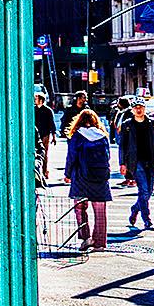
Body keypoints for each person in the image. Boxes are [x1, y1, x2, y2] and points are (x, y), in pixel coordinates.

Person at [64, 108, 111, 252]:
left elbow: (71, 157)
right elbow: (107, 157)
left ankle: (86, 238)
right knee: (100, 211)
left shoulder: (77, 136)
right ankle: (100, 243)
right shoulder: (102, 136)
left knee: (80, 208)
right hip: (100, 177)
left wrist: (68, 174)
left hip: (81, 177)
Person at [118, 100, 154, 233]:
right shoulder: (127, 125)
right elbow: (122, 145)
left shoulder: (152, 124)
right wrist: (122, 163)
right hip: (135, 162)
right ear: (132, 110)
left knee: (149, 191)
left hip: (150, 161)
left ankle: (135, 208)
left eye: (141, 107)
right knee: (144, 190)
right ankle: (147, 220)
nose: (138, 110)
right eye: (136, 108)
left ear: (145, 108)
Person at [34, 91, 58, 183]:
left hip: (45, 134)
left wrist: (54, 136)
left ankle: (44, 171)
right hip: (35, 134)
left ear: (41, 100)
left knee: (44, 153)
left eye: (36, 98)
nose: (35, 100)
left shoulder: (48, 110)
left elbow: (52, 124)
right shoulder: (33, 109)